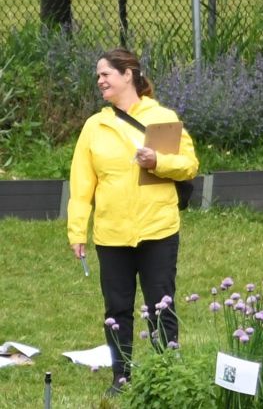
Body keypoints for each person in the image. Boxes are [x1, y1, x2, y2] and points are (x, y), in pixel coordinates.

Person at [66, 48, 199, 392]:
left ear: (128, 75)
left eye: (105, 74)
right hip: (111, 235)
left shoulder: (162, 117)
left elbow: (188, 165)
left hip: (158, 230)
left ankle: (166, 375)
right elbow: (82, 185)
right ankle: (121, 377)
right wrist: (77, 230)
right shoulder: (95, 126)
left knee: (161, 306)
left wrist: (157, 161)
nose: (99, 81)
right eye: (98, 76)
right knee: (117, 309)